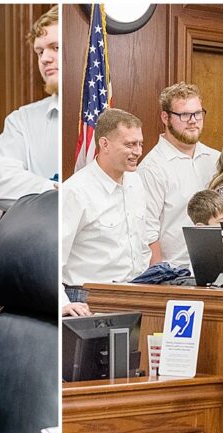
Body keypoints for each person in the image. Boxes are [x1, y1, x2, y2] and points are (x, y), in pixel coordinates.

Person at [61, 108, 149, 315]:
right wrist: (63, 304)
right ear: (104, 144)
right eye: (129, 144)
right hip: (87, 299)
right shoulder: (76, 191)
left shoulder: (135, 181)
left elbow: (141, 243)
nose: (137, 151)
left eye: (140, 143)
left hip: (134, 293)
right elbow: (53, 257)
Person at [0, 6, 60, 211]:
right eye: (40, 51)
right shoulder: (22, 120)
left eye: (56, 48)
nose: (44, 58)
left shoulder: (106, 110)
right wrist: (54, 192)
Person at [138, 82, 219, 267]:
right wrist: (160, 279)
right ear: (165, 117)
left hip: (217, 268)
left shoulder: (217, 159)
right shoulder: (152, 168)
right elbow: (147, 233)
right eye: (184, 115)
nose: (193, 120)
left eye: (198, 113)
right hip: (175, 273)